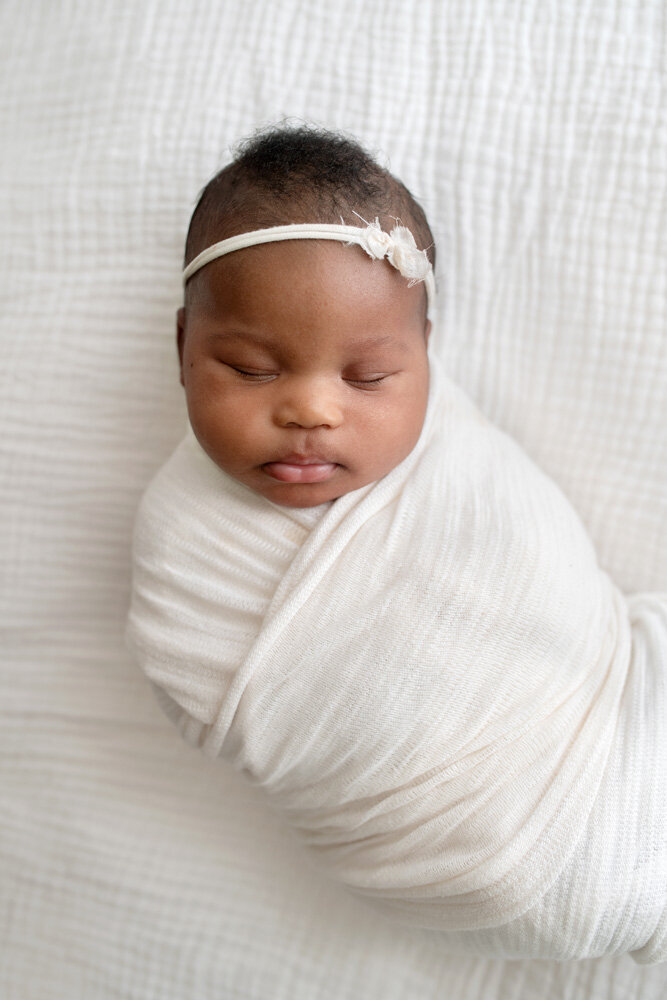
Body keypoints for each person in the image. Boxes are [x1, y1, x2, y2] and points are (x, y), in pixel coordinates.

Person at [127, 124, 667, 963]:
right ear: (182, 351)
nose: (311, 410)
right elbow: (197, 681)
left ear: (423, 359)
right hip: (474, 860)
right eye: (250, 369)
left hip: (615, 717)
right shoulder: (183, 538)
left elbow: (538, 587)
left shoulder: (450, 450)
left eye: (368, 377)